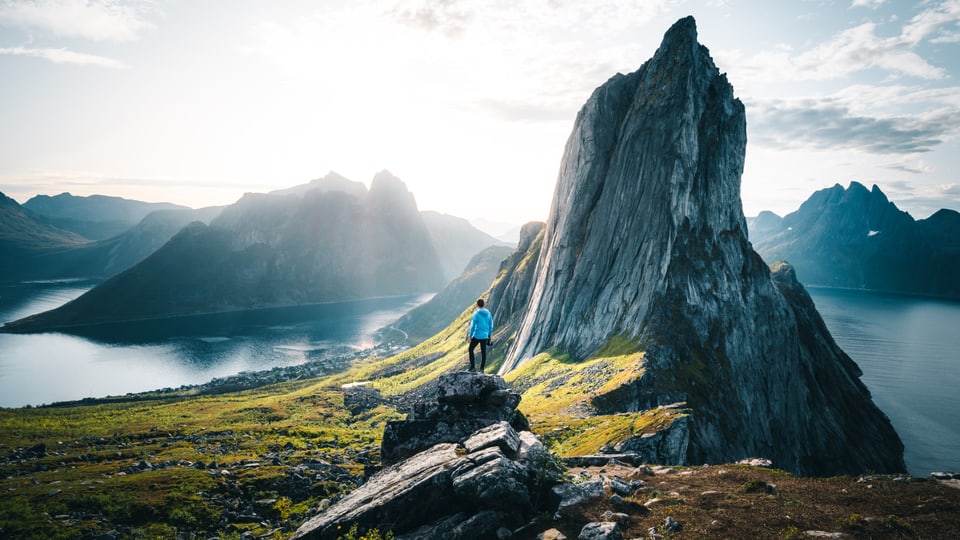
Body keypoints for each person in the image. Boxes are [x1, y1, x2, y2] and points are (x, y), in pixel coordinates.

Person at [467, 298, 494, 372]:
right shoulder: (488, 313)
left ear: (477, 305)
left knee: (471, 349)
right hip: (485, 336)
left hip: (477, 335)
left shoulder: (476, 314)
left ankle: (473, 367)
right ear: (484, 304)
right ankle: (482, 369)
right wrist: (489, 335)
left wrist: (470, 336)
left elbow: (472, 326)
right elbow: (491, 325)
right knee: (483, 352)